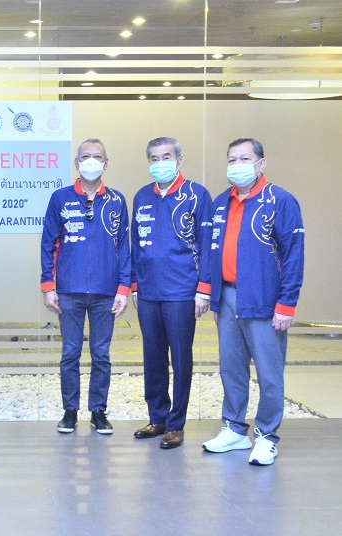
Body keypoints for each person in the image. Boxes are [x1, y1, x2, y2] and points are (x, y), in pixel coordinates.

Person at [202, 138, 304, 466]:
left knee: (269, 373)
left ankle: (267, 437)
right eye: (232, 159)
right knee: (231, 368)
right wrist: (216, 299)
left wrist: (287, 304)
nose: (237, 165)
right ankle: (234, 429)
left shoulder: (280, 201)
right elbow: (213, 251)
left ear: (261, 164)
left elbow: (293, 255)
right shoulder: (221, 202)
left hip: (264, 299)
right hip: (228, 296)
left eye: (244, 159)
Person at [41, 138, 130, 435]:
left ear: (106, 163)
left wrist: (123, 288)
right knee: (70, 353)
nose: (92, 161)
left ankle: (98, 411)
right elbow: (48, 244)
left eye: (98, 156)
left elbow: (124, 247)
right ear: (77, 163)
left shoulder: (117, 200)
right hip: (69, 290)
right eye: (86, 156)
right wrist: (48, 286)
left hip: (106, 291)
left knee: (101, 354)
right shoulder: (60, 198)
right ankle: (70, 410)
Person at [130, 137, 213, 449]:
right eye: (154, 158)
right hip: (148, 292)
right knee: (153, 358)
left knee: (180, 358)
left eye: (166, 156)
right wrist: (134, 285)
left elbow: (208, 246)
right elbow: (135, 244)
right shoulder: (141, 196)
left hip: (181, 291)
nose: (159, 163)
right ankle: (158, 418)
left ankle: (176, 424)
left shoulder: (196, 195)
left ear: (179, 160)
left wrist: (204, 289)